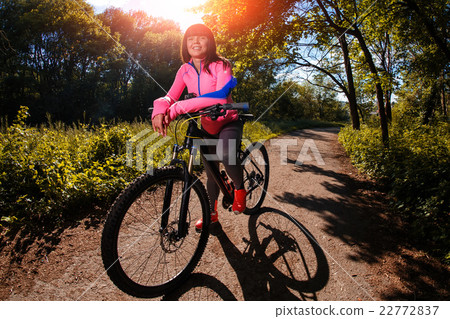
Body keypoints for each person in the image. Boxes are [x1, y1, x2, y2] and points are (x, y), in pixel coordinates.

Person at [151, 24, 246, 231]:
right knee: (211, 173)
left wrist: (179, 107)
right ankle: (211, 215)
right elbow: (170, 96)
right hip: (207, 126)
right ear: (185, 44)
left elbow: (221, 96)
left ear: (209, 42)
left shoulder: (222, 65)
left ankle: (239, 188)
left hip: (228, 121)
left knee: (226, 154)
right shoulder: (184, 70)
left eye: (201, 37)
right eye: (190, 38)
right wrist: (160, 107)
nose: (195, 41)